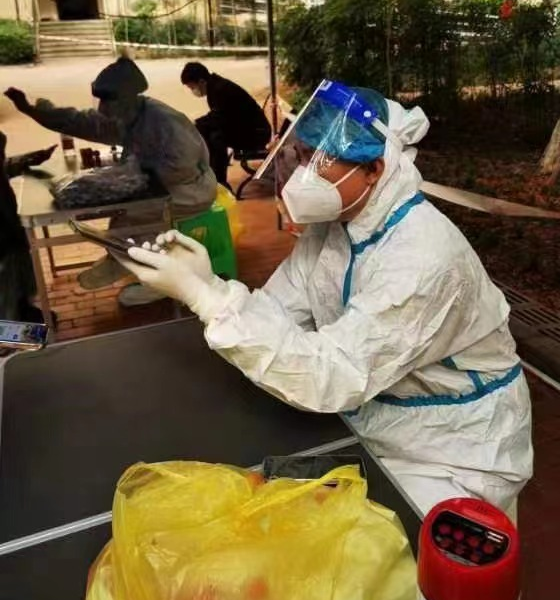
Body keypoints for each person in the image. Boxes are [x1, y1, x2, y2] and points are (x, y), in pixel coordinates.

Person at [116, 83, 533, 518]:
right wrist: (214, 285)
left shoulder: (424, 258)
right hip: (381, 417)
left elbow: (331, 375)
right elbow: (280, 312)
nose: (303, 175)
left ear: (373, 169)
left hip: (457, 452)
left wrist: (206, 300)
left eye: (321, 162)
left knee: (395, 554)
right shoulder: (335, 228)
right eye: (303, 155)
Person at [4, 56, 218, 307]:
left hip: (189, 189)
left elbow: (182, 167)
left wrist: (133, 178)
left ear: (128, 97)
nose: (103, 108)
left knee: (131, 218)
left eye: (108, 101)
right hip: (164, 186)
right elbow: (80, 122)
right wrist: (34, 110)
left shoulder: (164, 121)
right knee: (123, 219)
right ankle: (124, 260)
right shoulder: (127, 116)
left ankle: (161, 282)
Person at [181, 62, 271, 189]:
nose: (193, 91)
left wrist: (195, 124)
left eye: (192, 87)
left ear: (201, 81)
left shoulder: (220, 90)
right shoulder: (216, 87)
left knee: (216, 137)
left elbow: (218, 118)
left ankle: (219, 180)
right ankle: (212, 174)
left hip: (256, 134)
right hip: (246, 128)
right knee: (208, 132)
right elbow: (219, 117)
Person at [0, 131, 57, 324]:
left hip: (8, 224)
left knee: (18, 276)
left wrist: (26, 160)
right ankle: (13, 333)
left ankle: (22, 312)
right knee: (6, 282)